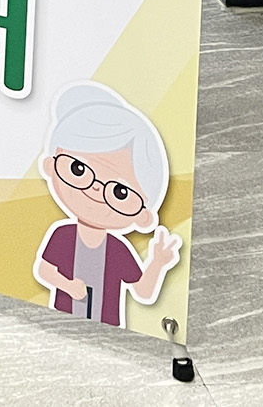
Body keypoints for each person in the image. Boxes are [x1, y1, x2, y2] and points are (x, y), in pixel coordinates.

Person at [34, 81, 182, 328]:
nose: (95, 189)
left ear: (143, 215)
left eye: (120, 192)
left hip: (106, 334)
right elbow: (43, 270)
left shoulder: (118, 250)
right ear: (51, 166)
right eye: (78, 169)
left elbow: (143, 291)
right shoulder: (63, 235)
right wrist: (67, 286)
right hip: (60, 327)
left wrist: (158, 262)